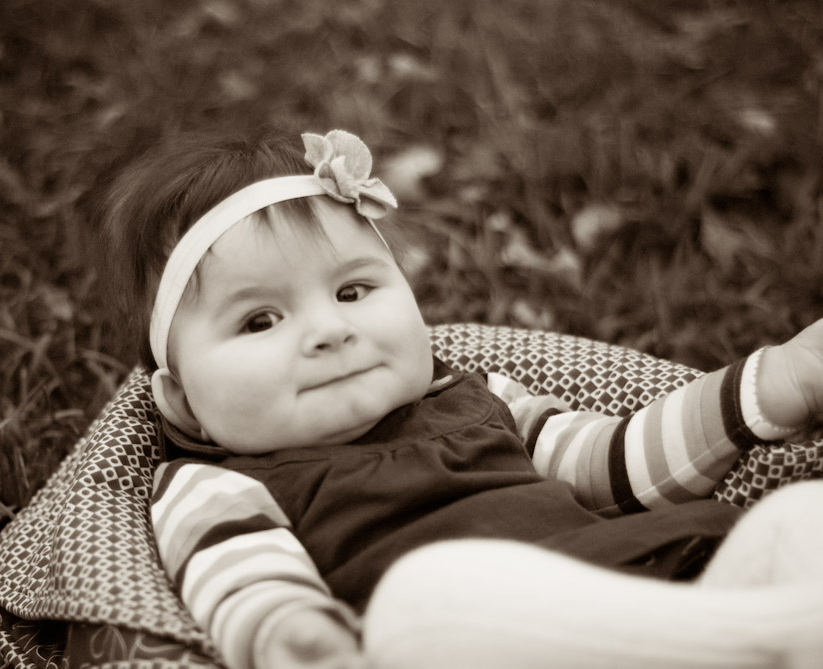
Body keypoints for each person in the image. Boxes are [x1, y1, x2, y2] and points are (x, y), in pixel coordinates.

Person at [97, 125, 823, 669]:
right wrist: (296, 636)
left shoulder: (477, 396)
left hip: (654, 598)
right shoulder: (212, 484)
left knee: (795, 518)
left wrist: (774, 383)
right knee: (420, 602)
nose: (330, 331)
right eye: (260, 320)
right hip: (457, 639)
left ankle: (764, 637)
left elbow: (619, 463)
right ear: (181, 401)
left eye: (352, 291)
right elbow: (248, 583)